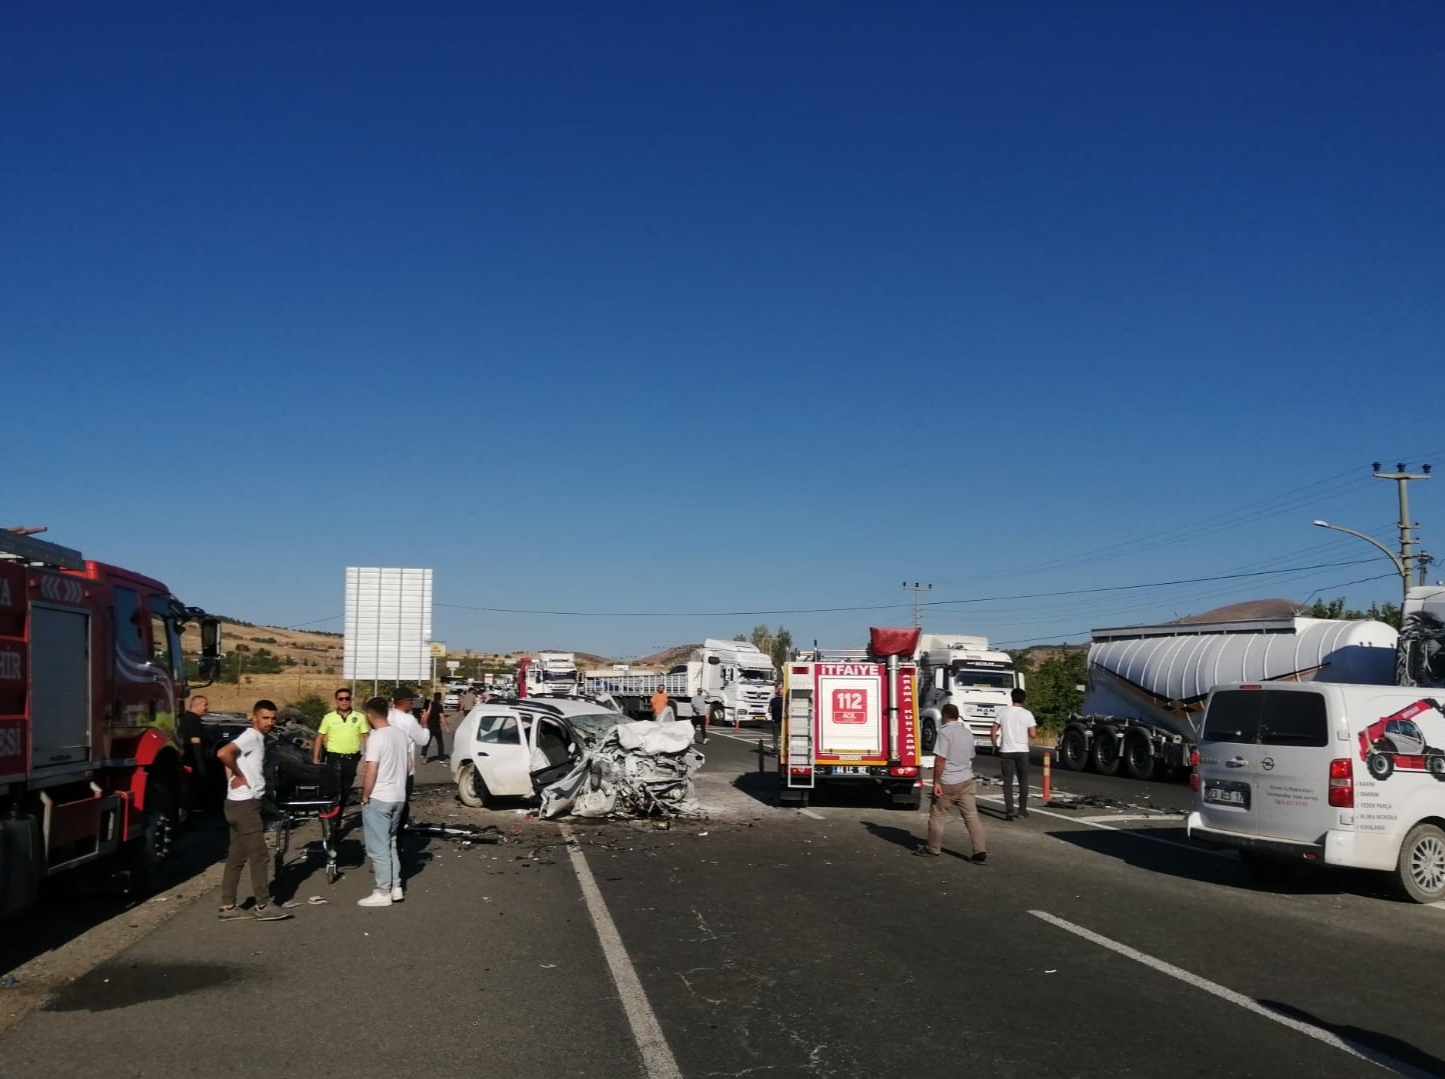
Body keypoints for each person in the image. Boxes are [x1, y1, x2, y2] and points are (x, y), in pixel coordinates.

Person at [216, 700, 292, 920]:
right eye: (265, 718)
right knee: (260, 855)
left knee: (236, 857)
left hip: (237, 802)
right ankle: (263, 905)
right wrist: (238, 775)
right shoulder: (250, 737)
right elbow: (223, 753)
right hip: (245, 805)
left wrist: (232, 780)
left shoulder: (256, 739)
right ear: (254, 717)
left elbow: (227, 758)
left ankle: (228, 906)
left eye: (272, 718)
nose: (269, 722)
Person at [358, 696, 412, 906]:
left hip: (380, 796)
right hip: (398, 796)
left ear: (369, 715)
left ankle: (382, 891)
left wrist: (365, 795)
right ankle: (396, 886)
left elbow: (371, 769)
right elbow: (408, 765)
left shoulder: (376, 737)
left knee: (378, 848)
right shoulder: (400, 734)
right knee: (390, 843)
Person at [916, 704, 987, 863]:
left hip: (948, 781)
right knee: (971, 817)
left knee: (938, 814)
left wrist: (936, 782)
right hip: (966, 780)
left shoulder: (945, 733)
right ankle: (980, 850)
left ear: (944, 716)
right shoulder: (967, 733)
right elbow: (970, 756)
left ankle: (933, 848)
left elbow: (940, 759)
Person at [311, 687, 369, 826]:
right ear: (336, 700)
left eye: (347, 698)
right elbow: (319, 738)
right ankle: (331, 821)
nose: (344, 701)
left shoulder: (359, 717)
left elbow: (366, 737)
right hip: (333, 759)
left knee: (344, 791)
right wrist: (315, 759)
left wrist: (370, 759)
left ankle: (336, 818)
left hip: (351, 760)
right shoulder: (329, 718)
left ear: (351, 700)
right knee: (333, 790)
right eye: (341, 699)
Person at [991, 688, 1038, 820]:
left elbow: (993, 730)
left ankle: (1009, 810)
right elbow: (1033, 734)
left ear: (1011, 698)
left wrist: (994, 745)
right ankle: (1022, 809)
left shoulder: (1003, 713)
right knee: (1023, 781)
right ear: (1024, 699)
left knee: (1007, 782)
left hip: (1006, 750)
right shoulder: (1028, 714)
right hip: (1022, 751)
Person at [387, 687, 430, 831]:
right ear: (404, 702)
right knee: (402, 803)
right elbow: (423, 740)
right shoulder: (408, 720)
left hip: (386, 767)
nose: (412, 703)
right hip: (404, 769)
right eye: (411, 700)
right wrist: (424, 722)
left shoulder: (386, 716)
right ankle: (398, 836)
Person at [178, 694, 210, 808]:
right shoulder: (194, 720)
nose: (207, 708)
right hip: (191, 761)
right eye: (205, 705)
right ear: (197, 705)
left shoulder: (185, 718)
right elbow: (196, 742)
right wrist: (200, 765)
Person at [422, 691, 449, 762]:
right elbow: (442, 717)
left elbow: (425, 714)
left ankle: (423, 755)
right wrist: (446, 727)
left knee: (427, 741)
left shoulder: (429, 705)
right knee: (440, 742)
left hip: (429, 726)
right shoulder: (439, 706)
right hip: (436, 727)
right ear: (440, 698)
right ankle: (441, 758)